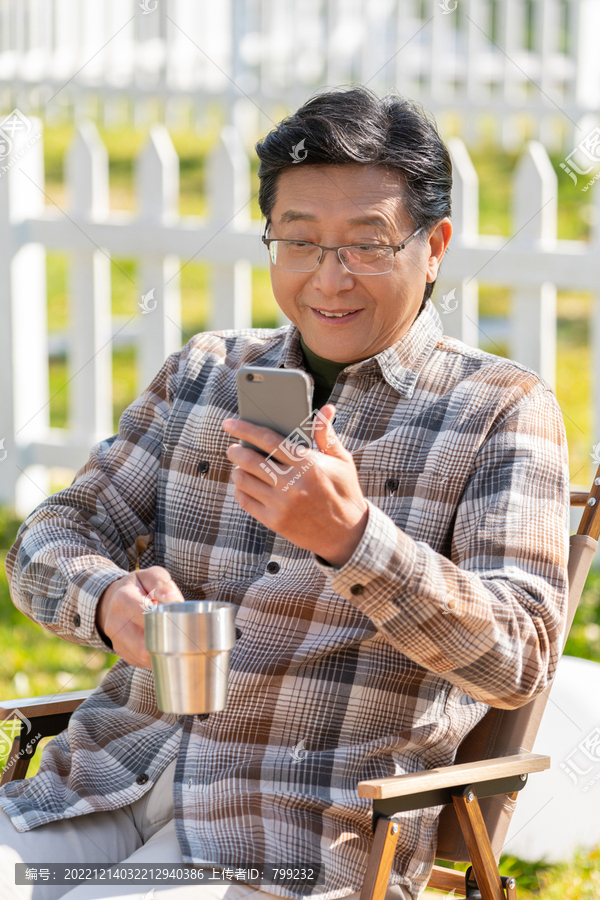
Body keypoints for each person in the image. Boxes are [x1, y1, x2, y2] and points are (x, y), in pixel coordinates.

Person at [0, 87, 569, 900]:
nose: (329, 279)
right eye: (299, 243)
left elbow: (517, 656)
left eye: (367, 246)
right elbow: (49, 534)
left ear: (435, 245)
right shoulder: (208, 375)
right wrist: (104, 600)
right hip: (101, 777)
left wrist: (354, 539)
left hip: (285, 833)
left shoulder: (498, 410)